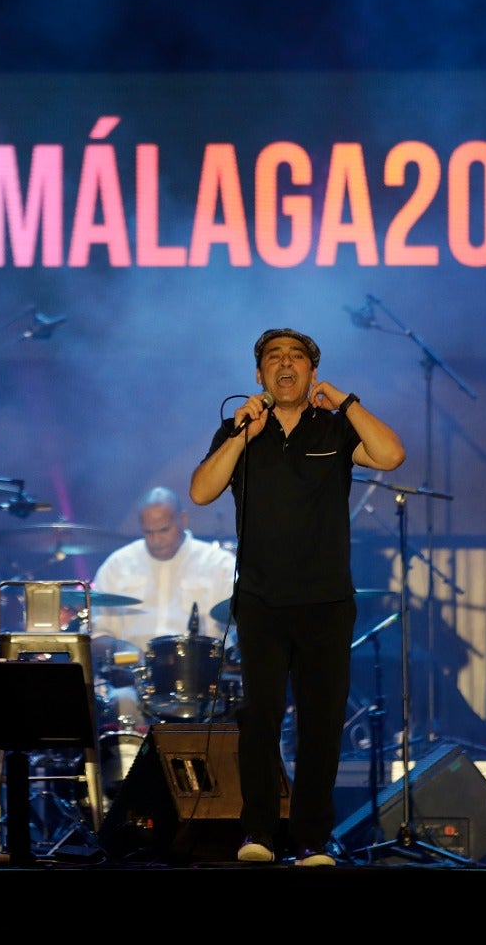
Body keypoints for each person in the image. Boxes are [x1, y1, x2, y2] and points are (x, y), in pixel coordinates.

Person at [188, 327, 405, 867]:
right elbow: (200, 491)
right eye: (273, 358)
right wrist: (242, 433)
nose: (285, 365)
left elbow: (391, 455)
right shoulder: (238, 430)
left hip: (326, 602)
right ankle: (257, 832)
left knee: (321, 724)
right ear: (258, 375)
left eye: (297, 358)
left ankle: (311, 838)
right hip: (260, 601)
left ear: (311, 372)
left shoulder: (334, 425)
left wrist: (347, 402)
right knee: (259, 720)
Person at [90, 487, 237, 729]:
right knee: (119, 702)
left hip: (205, 687)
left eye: (164, 530)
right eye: (148, 532)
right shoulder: (118, 565)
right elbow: (97, 636)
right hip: (137, 684)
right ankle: (130, 764)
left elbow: (240, 629)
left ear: (183, 519)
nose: (156, 540)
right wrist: (123, 649)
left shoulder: (219, 564)